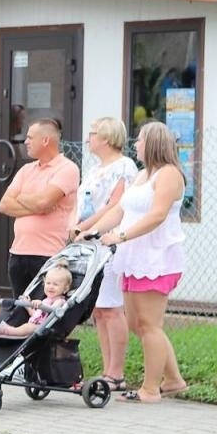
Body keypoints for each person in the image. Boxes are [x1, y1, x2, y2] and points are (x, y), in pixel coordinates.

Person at [79, 121, 187, 404]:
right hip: (133, 256)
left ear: (152, 144)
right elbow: (120, 210)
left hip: (156, 258)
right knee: (138, 325)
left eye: (139, 140)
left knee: (149, 325)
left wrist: (122, 235)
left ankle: (150, 390)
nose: (135, 145)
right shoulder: (142, 175)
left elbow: (157, 215)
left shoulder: (169, 175)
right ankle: (174, 380)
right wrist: (93, 231)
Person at [69, 116, 139, 389]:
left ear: (107, 138)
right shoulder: (96, 168)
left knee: (111, 307)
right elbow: (83, 202)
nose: (89, 138)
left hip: (108, 240)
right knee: (98, 309)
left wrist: (85, 227)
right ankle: (107, 368)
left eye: (93, 133)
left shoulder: (124, 167)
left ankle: (116, 372)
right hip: (89, 242)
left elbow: (113, 205)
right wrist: (75, 225)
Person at [0, 117, 80, 308]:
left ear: (45, 141)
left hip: (47, 255)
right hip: (18, 254)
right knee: (20, 310)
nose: (25, 142)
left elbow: (44, 202)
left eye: (30, 137)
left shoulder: (67, 168)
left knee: (42, 312)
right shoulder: (27, 169)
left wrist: (23, 198)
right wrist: (37, 203)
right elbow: (4, 205)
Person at [0, 264, 73, 338]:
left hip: (43, 328)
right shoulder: (46, 300)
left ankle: (11, 332)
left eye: (55, 284)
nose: (51, 287)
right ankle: (10, 331)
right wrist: (27, 305)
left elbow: (52, 309)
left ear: (65, 289)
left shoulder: (60, 301)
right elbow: (36, 314)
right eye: (48, 283)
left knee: (27, 327)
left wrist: (41, 305)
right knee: (26, 326)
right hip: (35, 324)